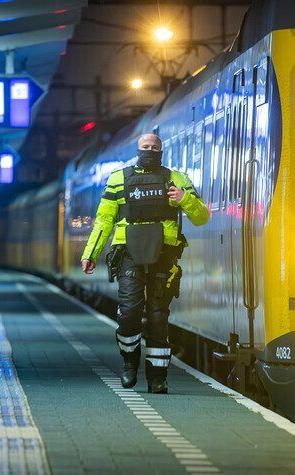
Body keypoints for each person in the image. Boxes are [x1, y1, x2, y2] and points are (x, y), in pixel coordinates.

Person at [80, 133, 209, 393]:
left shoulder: (177, 180)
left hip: (164, 255)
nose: (150, 151)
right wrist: (90, 253)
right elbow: (104, 219)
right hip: (129, 253)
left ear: (161, 150)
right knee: (128, 313)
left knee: (158, 317)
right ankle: (129, 363)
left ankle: (157, 378)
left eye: (154, 147)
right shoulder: (118, 180)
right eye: (145, 147)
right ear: (137, 150)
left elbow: (202, 217)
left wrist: (184, 199)